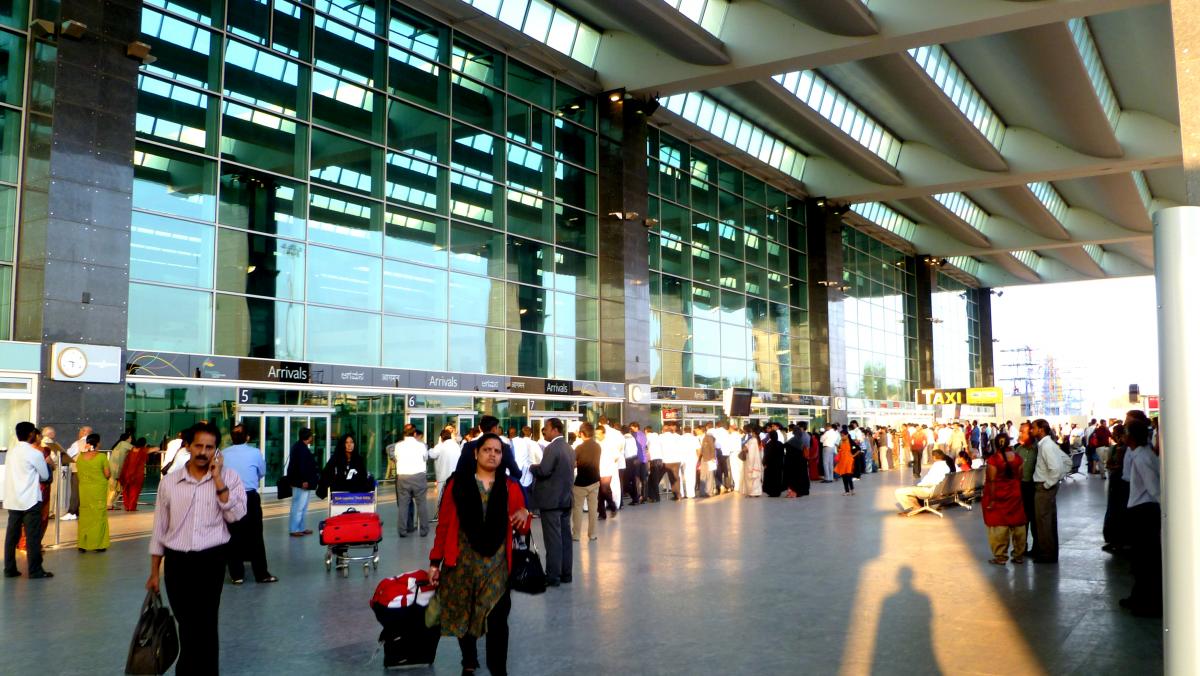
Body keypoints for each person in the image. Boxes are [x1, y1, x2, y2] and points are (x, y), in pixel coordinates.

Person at [146, 421, 247, 675]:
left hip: (211, 562)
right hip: (177, 564)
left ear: (217, 451)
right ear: (188, 447)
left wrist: (217, 478)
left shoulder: (230, 478)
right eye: (198, 446)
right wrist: (154, 571)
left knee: (205, 624)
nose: (203, 451)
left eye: (209, 447)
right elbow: (160, 528)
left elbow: (236, 514)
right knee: (187, 624)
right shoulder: (169, 483)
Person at [429, 433, 530, 675]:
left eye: (497, 451)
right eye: (487, 450)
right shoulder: (458, 484)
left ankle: (498, 669)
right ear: (476, 453)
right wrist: (435, 562)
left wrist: (525, 514)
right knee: (466, 617)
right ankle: (469, 660)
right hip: (461, 564)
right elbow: (443, 525)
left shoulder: (510, 487)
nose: (492, 454)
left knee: (497, 622)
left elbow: (522, 527)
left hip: (496, 567)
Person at [221, 424, 277, 584]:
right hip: (249, 497)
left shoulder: (223, 454)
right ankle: (261, 574)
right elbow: (262, 472)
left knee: (232, 535)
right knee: (255, 536)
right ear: (247, 438)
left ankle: (237, 575)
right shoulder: (255, 453)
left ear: (232, 438)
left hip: (230, 497)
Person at [1120, 419, 1161, 617]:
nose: (1123, 435)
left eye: (1126, 431)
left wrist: (1164, 509)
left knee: (1145, 560)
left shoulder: (1143, 457)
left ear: (1133, 436)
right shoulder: (1141, 454)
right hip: (1141, 509)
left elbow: (1153, 488)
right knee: (1140, 560)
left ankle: (1147, 602)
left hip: (1144, 511)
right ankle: (1138, 596)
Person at [4, 422, 53, 578]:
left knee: (12, 536)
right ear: (31, 434)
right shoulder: (35, 454)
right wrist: (49, 466)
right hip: (30, 500)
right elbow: (45, 476)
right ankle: (35, 570)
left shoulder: (11, 452)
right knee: (33, 536)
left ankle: (9, 568)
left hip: (13, 499)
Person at [530, 418, 573, 586]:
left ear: (555, 430)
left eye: (546, 429)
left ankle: (553, 576)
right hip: (565, 499)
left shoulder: (552, 448)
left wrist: (532, 467)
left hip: (551, 501)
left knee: (553, 539)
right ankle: (566, 574)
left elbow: (543, 470)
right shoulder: (569, 448)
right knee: (565, 538)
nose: (544, 432)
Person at [982, 433, 1026, 565]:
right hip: (1015, 494)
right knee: (1018, 523)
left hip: (998, 495)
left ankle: (1000, 556)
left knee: (998, 526)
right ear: (1008, 443)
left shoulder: (993, 460)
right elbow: (1020, 476)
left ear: (995, 444)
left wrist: (991, 500)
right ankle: (1019, 555)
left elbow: (991, 480)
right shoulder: (1017, 458)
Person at [1031, 419, 1066, 563]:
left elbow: (1056, 469)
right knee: (1048, 521)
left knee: (1043, 522)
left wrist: (1047, 484)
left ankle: (1047, 554)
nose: (1031, 431)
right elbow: (1066, 462)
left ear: (1041, 429)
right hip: (1047, 487)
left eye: (1033, 428)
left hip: (1044, 488)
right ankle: (1049, 552)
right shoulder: (1049, 445)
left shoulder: (1046, 446)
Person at [455, 415, 520, 480]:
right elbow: (516, 473)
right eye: (497, 428)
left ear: (481, 428)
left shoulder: (468, 446)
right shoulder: (504, 447)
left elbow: (459, 471)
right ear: (494, 429)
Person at [76, 433, 111, 552]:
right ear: (97, 443)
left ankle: (83, 544)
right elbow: (107, 474)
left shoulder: (80, 457)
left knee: (85, 515)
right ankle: (99, 545)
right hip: (98, 491)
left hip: (84, 490)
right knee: (98, 516)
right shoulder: (101, 457)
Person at [394, 429, 431, 537]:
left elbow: (396, 458)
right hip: (419, 476)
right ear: (414, 434)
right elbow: (425, 458)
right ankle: (424, 530)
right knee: (421, 504)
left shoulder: (398, 446)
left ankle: (402, 530)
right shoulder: (421, 446)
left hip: (403, 477)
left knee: (403, 505)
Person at [895, 450, 953, 516]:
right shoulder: (947, 466)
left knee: (898, 492)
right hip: (938, 491)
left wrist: (919, 485)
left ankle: (916, 507)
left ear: (934, 457)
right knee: (912, 491)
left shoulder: (936, 466)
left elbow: (929, 480)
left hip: (930, 490)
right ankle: (917, 507)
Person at [285, 427, 319, 537]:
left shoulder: (299, 447)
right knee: (299, 506)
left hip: (301, 482)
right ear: (308, 437)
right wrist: (304, 481)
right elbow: (301, 467)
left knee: (303, 506)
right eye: (311, 436)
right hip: (302, 483)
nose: (312, 437)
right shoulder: (301, 449)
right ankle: (294, 529)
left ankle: (301, 527)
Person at [318, 433, 373, 499]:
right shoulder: (336, 458)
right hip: (340, 490)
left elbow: (363, 476)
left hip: (355, 490)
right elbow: (326, 473)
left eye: (351, 442)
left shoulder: (359, 459)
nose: (349, 445)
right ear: (342, 444)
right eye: (346, 443)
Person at [572, 422, 601, 541]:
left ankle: (576, 535)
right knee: (593, 509)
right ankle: (592, 534)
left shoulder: (579, 447)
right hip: (594, 481)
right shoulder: (597, 446)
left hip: (580, 483)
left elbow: (573, 463)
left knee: (577, 509)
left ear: (582, 433)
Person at [429, 429, 462, 502]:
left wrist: (430, 449)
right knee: (453, 499)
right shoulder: (456, 445)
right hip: (455, 476)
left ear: (441, 437)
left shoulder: (440, 446)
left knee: (442, 498)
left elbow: (432, 455)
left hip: (443, 477)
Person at [120, 438, 152, 511]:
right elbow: (156, 449)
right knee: (135, 491)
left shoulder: (131, 451)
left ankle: (127, 506)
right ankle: (131, 507)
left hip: (127, 472)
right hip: (137, 474)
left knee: (126, 490)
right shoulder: (143, 450)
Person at [595, 425, 620, 518]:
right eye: (596, 434)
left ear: (604, 434)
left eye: (599, 434)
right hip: (597, 470)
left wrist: (610, 463)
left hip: (607, 470)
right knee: (600, 492)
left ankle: (612, 506)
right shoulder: (595, 443)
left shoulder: (610, 443)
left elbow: (617, 456)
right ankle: (602, 513)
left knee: (605, 489)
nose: (597, 436)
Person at [783, 423, 811, 497]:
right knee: (802, 475)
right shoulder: (803, 437)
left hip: (793, 461)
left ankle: (795, 491)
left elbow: (786, 446)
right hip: (801, 460)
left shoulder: (794, 439)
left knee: (794, 476)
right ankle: (803, 490)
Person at [107, 432, 133, 510]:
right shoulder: (124, 444)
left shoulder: (119, 444)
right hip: (116, 469)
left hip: (114, 468)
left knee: (115, 487)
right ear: (127, 438)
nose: (131, 439)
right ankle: (109, 504)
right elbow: (135, 449)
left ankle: (112, 503)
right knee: (114, 487)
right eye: (130, 438)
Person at [626, 422, 648, 505]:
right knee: (644, 479)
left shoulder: (634, 435)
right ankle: (644, 497)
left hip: (637, 459)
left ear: (636, 427)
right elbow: (645, 446)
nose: (630, 430)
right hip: (644, 459)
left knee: (636, 479)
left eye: (631, 428)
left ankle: (637, 496)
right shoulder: (643, 435)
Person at [739, 424, 763, 497]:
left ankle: (752, 492)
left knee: (751, 477)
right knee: (756, 478)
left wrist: (750, 464)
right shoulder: (757, 440)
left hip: (751, 462)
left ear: (753, 432)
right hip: (757, 462)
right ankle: (757, 492)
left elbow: (751, 453)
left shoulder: (753, 440)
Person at [761, 428, 786, 497]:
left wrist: (764, 463)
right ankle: (777, 491)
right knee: (778, 478)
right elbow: (782, 454)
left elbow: (766, 455)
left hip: (770, 465)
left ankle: (771, 492)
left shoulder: (768, 445)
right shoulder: (780, 444)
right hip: (778, 464)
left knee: (770, 478)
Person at [834, 430, 860, 496]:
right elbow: (839, 450)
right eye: (841, 436)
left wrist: (853, 456)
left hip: (848, 461)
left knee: (848, 476)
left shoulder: (851, 442)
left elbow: (858, 449)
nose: (842, 437)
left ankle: (852, 490)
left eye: (843, 435)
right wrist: (837, 448)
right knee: (843, 476)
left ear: (847, 435)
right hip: (842, 461)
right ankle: (847, 491)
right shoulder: (841, 442)